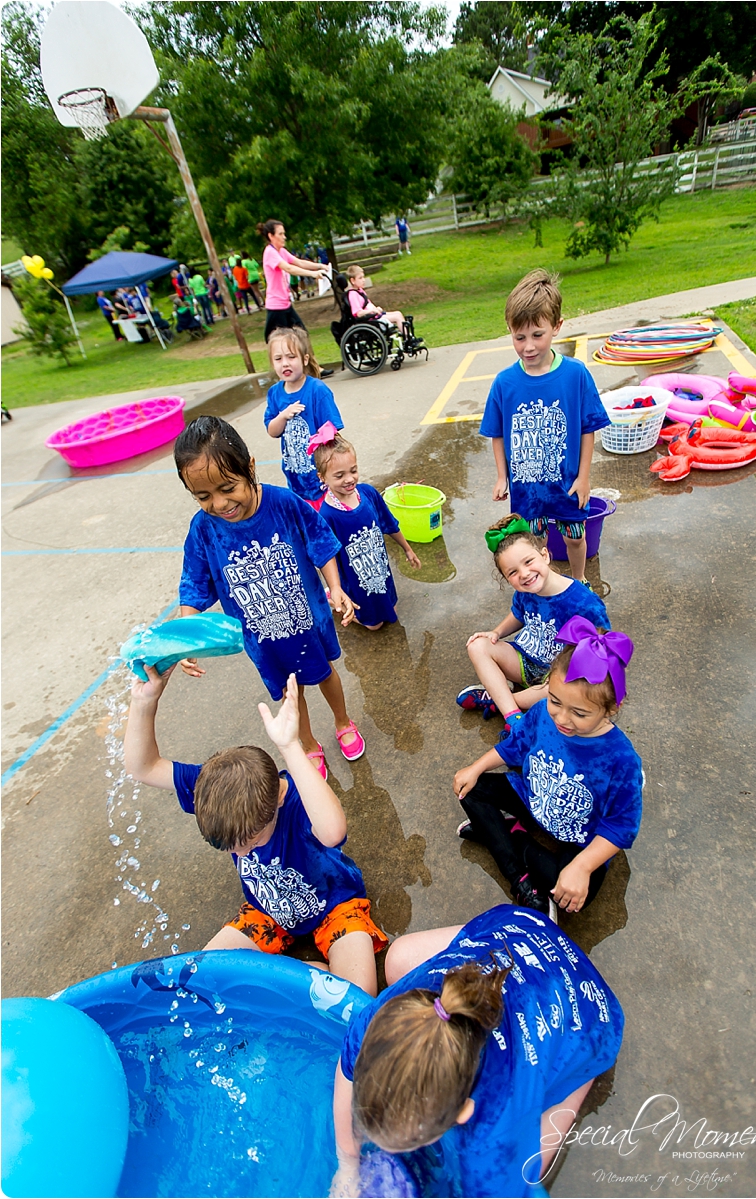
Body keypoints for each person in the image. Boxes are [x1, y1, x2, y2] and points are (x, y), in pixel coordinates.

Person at [331, 904, 624, 1199]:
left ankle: (580, 1080)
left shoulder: (493, 1126)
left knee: (529, 1154)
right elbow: (347, 1067)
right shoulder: (383, 1016)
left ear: (463, 1111)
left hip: (588, 1016)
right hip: (521, 932)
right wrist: (347, 1162)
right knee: (398, 960)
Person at [124, 670, 386, 995]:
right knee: (205, 978)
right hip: (267, 913)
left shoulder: (295, 803)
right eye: (234, 851)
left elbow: (333, 832)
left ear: (276, 798)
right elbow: (143, 767)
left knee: (355, 998)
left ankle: (288, 977)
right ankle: (305, 974)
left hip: (336, 906)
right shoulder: (213, 788)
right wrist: (143, 701)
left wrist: (291, 745)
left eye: (251, 843)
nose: (243, 854)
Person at [175, 415, 365, 778]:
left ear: (249, 468)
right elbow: (195, 583)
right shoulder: (203, 530)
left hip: (308, 622)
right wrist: (187, 635)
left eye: (228, 488)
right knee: (291, 694)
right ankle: (309, 744)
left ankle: (343, 722)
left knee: (325, 674)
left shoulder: (282, 503)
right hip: (263, 639)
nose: (219, 503)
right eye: (203, 496)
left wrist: (336, 587)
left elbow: (320, 543)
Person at [454, 618, 642, 917]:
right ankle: (520, 879)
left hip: (580, 833)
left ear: (612, 708)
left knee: (572, 898)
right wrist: (476, 767)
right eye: (555, 701)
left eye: (579, 713)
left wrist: (581, 867)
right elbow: (514, 746)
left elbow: (621, 825)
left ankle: (508, 834)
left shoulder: (621, 758)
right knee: (470, 789)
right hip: (533, 798)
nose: (562, 719)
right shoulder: (542, 712)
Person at [480, 269, 610, 587]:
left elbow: (587, 428)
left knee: (575, 538)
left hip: (567, 485)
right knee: (534, 545)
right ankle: (546, 585)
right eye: (519, 337)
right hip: (528, 491)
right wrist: (501, 475)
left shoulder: (576, 375)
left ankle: (579, 581)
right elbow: (496, 432)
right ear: (509, 331)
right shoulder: (504, 383)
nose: (528, 346)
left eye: (537, 335)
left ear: (557, 327)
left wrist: (583, 478)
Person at [457, 514, 609, 725]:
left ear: (545, 555)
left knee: (571, 689)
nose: (525, 574)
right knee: (477, 645)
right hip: (525, 661)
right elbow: (518, 614)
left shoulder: (583, 602)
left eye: (528, 562)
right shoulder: (526, 591)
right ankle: (514, 717)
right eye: (513, 572)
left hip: (557, 676)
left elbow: (603, 643)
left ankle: (499, 700)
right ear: (506, 578)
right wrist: (496, 633)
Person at [314, 431, 421, 630]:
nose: (349, 479)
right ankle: (332, 597)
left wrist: (407, 548)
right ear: (322, 477)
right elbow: (327, 556)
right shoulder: (327, 516)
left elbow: (389, 523)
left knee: (392, 610)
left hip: (379, 568)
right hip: (355, 579)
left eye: (353, 471)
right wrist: (337, 587)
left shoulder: (368, 493)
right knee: (374, 625)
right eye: (339, 475)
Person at [264, 326, 342, 508]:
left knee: (328, 523)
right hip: (295, 480)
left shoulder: (317, 390)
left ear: (304, 359)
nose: (285, 363)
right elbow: (272, 431)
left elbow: (333, 432)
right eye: (278, 359)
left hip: (323, 480)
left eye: (291, 357)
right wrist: (283, 416)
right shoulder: (274, 393)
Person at [256, 219, 333, 380]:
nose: (284, 237)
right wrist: (313, 275)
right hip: (276, 307)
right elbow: (289, 268)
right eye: (281, 234)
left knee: (302, 334)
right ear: (271, 236)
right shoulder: (270, 253)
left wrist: (320, 266)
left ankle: (313, 367)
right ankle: (285, 371)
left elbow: (298, 262)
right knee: (278, 341)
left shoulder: (281, 251)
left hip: (286, 304)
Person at [345, 265, 404, 333]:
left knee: (398, 313)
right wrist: (372, 311)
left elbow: (368, 303)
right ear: (353, 281)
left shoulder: (360, 291)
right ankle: (409, 339)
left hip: (374, 316)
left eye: (363, 277)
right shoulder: (353, 295)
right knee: (397, 317)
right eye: (360, 278)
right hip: (370, 320)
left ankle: (409, 337)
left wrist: (376, 309)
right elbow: (358, 313)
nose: (363, 280)